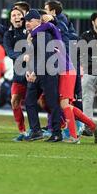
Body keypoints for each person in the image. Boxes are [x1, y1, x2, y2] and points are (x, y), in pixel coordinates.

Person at [30, 11, 97, 144]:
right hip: (63, 73)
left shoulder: (54, 32)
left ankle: (74, 136)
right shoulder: (46, 37)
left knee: (64, 104)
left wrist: (36, 29)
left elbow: (50, 26)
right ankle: (92, 126)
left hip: (67, 72)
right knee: (60, 104)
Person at [22, 10, 64, 143]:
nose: (27, 23)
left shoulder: (42, 34)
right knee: (29, 101)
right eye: (26, 21)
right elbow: (32, 56)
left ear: (38, 21)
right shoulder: (34, 35)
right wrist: (29, 70)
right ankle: (36, 131)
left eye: (30, 20)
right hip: (38, 73)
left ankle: (57, 133)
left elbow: (46, 56)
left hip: (48, 73)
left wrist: (35, 71)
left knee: (52, 102)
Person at [3, 7, 29, 141]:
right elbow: (9, 52)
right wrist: (23, 56)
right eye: (13, 15)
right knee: (14, 102)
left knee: (41, 102)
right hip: (19, 74)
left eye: (19, 14)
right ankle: (23, 131)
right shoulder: (8, 34)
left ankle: (58, 126)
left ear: (24, 17)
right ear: (10, 19)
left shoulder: (30, 30)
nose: (16, 17)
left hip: (35, 73)